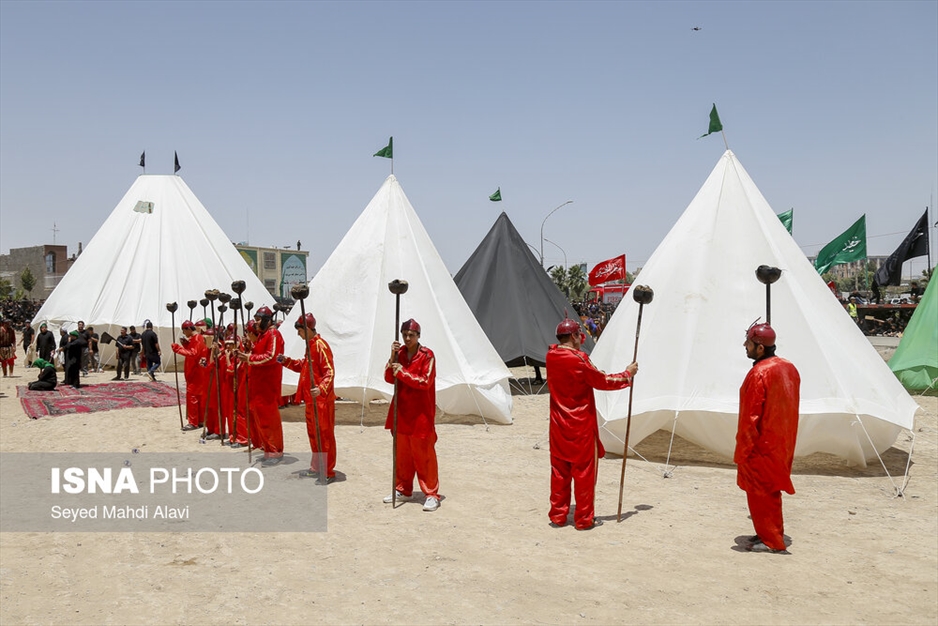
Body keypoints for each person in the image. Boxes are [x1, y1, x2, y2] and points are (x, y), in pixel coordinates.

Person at [545, 317, 638, 530]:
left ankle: (558, 516)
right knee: (584, 474)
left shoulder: (550, 356)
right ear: (574, 336)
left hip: (558, 426)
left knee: (559, 472)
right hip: (580, 427)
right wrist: (627, 375)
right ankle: (584, 519)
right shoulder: (579, 358)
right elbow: (601, 381)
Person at [735, 322, 800, 554]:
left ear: (760, 348)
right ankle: (766, 530)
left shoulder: (759, 373)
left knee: (761, 492)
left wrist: (743, 449)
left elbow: (750, 416)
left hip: (761, 444)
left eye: (749, 343)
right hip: (781, 440)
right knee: (770, 490)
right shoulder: (788, 367)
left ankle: (772, 540)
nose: (745, 346)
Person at [383, 319, 440, 511]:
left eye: (411, 335)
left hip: (420, 413)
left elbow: (425, 382)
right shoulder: (399, 354)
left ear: (418, 336)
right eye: (405, 334)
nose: (408, 338)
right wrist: (392, 357)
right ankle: (403, 488)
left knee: (424, 455)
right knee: (403, 454)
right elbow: (389, 377)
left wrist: (403, 373)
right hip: (401, 411)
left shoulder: (427, 355)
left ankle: (431, 493)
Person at [279, 312, 337, 483]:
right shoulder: (309, 346)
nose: (298, 334)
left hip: (322, 400)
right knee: (314, 435)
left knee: (324, 435)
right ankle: (316, 467)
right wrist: (286, 361)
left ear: (306, 329)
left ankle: (327, 471)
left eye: (300, 330)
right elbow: (303, 367)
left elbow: (329, 371)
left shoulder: (320, 346)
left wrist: (321, 388)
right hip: (311, 400)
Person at [236, 306, 284, 466]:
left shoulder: (273, 334)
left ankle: (275, 451)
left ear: (267, 319)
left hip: (267, 386)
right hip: (258, 386)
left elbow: (272, 356)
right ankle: (267, 449)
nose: (256, 323)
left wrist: (249, 357)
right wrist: (249, 348)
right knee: (261, 420)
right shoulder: (264, 336)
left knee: (269, 421)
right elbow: (258, 353)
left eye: (258, 320)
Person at [171, 320, 208, 431]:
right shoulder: (196, 339)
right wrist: (186, 344)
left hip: (195, 372)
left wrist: (178, 349)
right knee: (198, 397)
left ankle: (193, 422)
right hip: (195, 372)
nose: (184, 333)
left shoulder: (197, 339)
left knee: (192, 396)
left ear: (188, 329)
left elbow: (193, 353)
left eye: (184, 331)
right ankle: (200, 420)